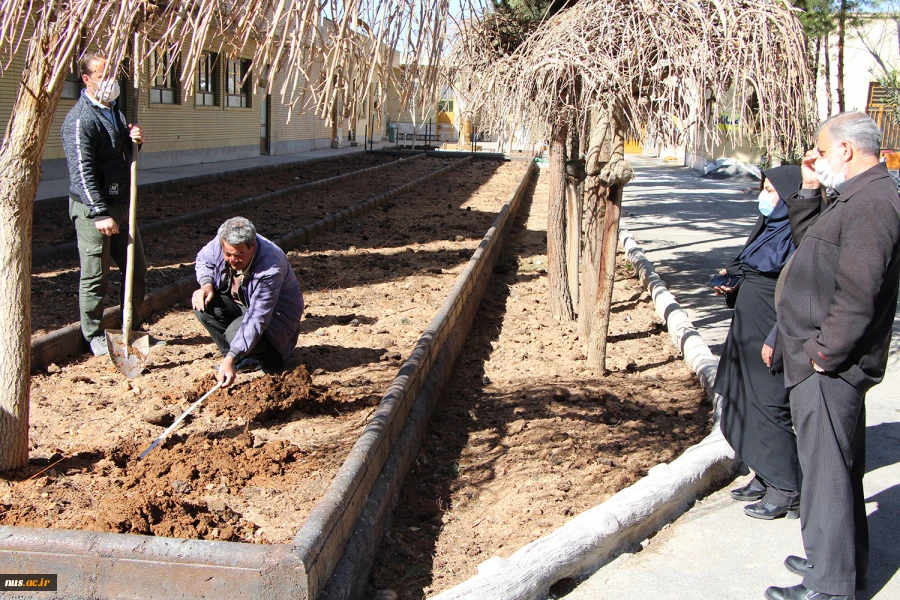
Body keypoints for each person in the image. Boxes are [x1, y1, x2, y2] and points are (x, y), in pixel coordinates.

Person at [764, 112, 900, 600]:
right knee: (832, 471)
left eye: (820, 151)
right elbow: (812, 248)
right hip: (820, 358)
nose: (814, 158)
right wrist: (805, 186)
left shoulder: (874, 201)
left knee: (827, 476)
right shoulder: (854, 194)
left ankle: (830, 586)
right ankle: (835, 559)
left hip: (828, 365)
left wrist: (824, 353)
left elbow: (858, 292)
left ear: (846, 149)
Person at [713, 166, 803, 521]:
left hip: (770, 331)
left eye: (772, 191)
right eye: (763, 188)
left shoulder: (800, 234)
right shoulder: (768, 228)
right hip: (746, 326)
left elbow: (800, 292)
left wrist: (776, 337)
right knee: (742, 398)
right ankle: (763, 473)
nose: (765, 197)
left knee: (768, 403)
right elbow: (750, 266)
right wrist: (731, 284)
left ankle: (787, 489)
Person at [62, 51, 154, 357]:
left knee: (136, 268)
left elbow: (119, 151)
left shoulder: (114, 110)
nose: (110, 83)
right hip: (93, 212)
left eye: (113, 75)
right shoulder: (80, 120)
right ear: (87, 80)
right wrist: (100, 213)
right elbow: (82, 172)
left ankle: (132, 326)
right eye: (103, 76)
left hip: (120, 205)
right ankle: (93, 334)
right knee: (95, 276)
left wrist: (134, 139)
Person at [192, 217, 304, 387]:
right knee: (204, 305)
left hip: (276, 322)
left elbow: (258, 318)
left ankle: (271, 359)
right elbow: (204, 259)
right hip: (244, 305)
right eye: (227, 254)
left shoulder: (270, 267)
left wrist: (231, 355)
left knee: (234, 333)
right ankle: (242, 359)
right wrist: (206, 284)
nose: (232, 260)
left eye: (239, 255)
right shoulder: (223, 240)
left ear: (253, 246)